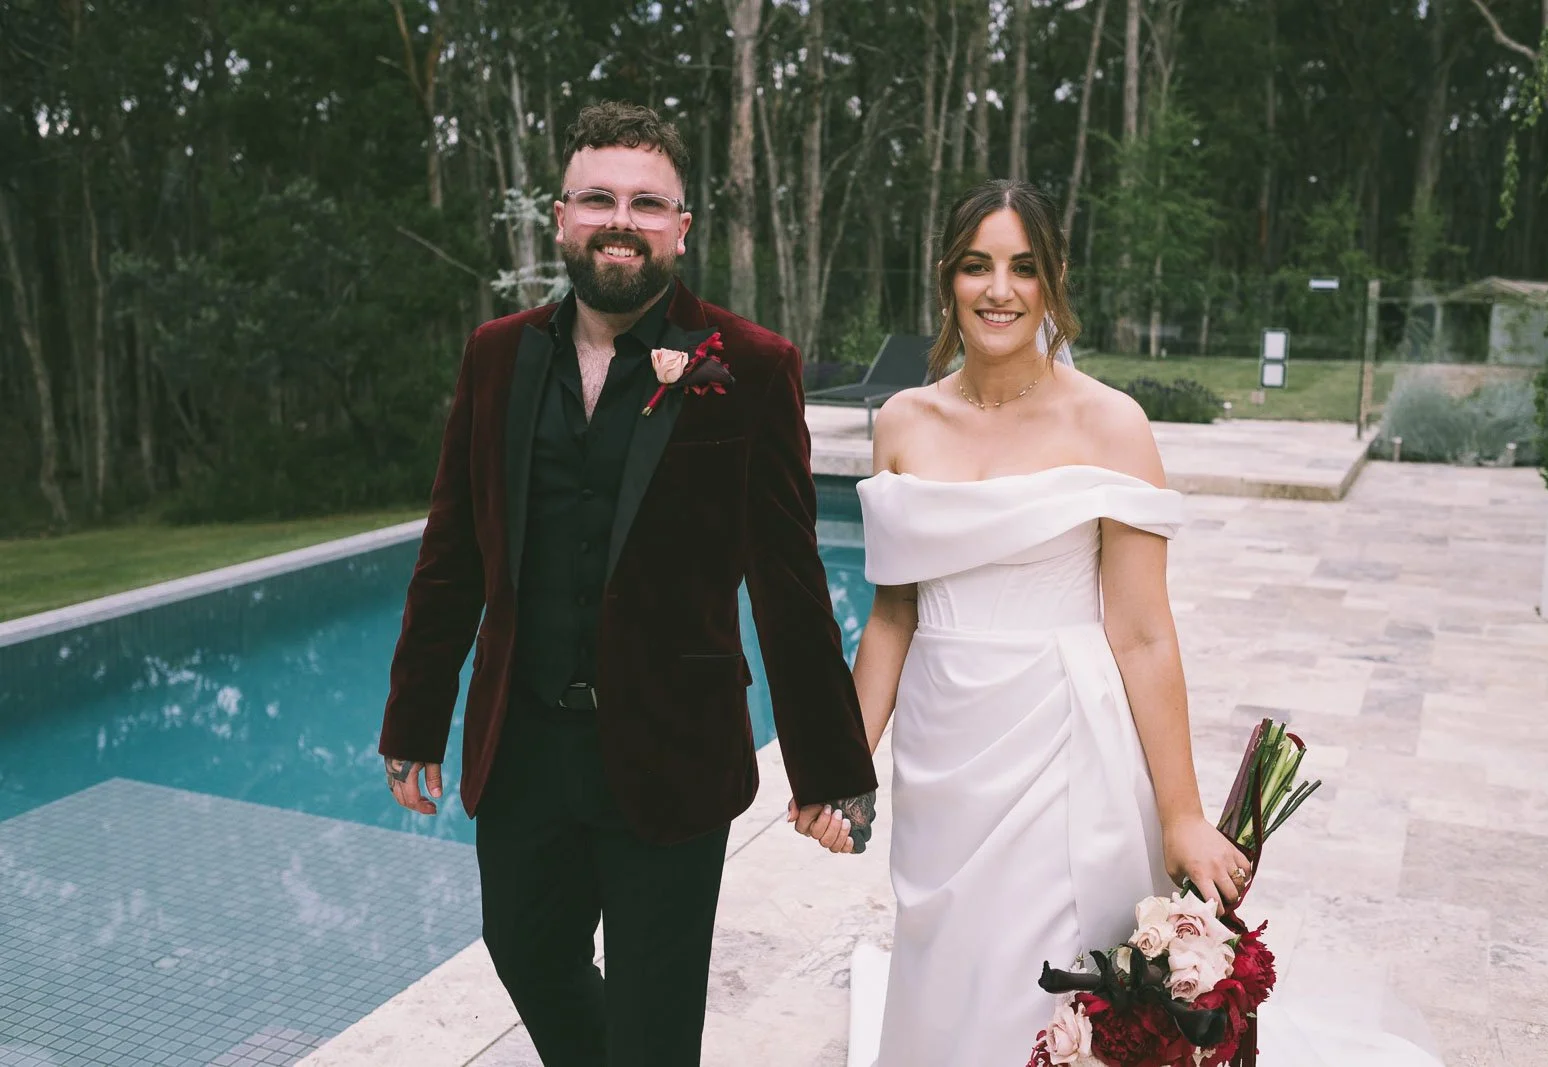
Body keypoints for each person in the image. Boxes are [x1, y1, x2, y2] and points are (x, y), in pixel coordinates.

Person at [818, 179, 1444, 1067]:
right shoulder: (903, 422)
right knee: (952, 975)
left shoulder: (1113, 424)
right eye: (977, 266)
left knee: (1048, 989)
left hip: (1062, 752)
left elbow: (1144, 633)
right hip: (943, 755)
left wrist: (1183, 815)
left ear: (1055, 281)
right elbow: (891, 611)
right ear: (946, 278)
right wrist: (847, 765)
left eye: (1023, 268)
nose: (999, 289)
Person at [376, 101, 876, 1067]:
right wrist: (412, 718)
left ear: (681, 228)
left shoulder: (753, 367)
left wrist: (830, 768)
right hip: (522, 747)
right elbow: (451, 555)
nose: (622, 219)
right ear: (560, 217)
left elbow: (789, 580)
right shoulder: (495, 355)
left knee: (656, 1015)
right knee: (522, 948)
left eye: (648, 203)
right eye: (598, 197)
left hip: (670, 752)